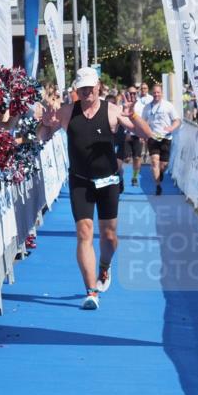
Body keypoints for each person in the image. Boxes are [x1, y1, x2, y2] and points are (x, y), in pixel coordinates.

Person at [39, 67, 154, 310]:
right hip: (80, 180)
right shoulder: (68, 111)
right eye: (82, 88)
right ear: (76, 90)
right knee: (84, 232)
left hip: (108, 181)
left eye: (90, 87)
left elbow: (146, 133)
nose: (87, 92)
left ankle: (104, 265)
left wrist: (132, 115)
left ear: (98, 86)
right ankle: (91, 291)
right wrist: (46, 124)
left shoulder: (112, 111)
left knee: (110, 237)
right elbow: (44, 135)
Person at [142, 82, 182, 195]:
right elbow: (143, 122)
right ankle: (158, 186)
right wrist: (144, 134)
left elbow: (177, 120)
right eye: (154, 92)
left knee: (164, 165)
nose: (156, 94)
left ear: (162, 93)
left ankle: (161, 173)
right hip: (153, 137)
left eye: (158, 92)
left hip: (165, 137)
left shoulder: (168, 106)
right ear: (151, 93)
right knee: (154, 161)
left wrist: (171, 128)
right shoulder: (147, 107)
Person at [120, 86, 144, 187]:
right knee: (124, 159)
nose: (132, 95)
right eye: (130, 93)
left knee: (137, 158)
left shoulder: (141, 106)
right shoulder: (122, 105)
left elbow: (144, 121)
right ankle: (120, 178)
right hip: (125, 135)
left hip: (137, 135)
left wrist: (143, 135)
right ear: (126, 94)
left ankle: (134, 177)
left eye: (134, 93)